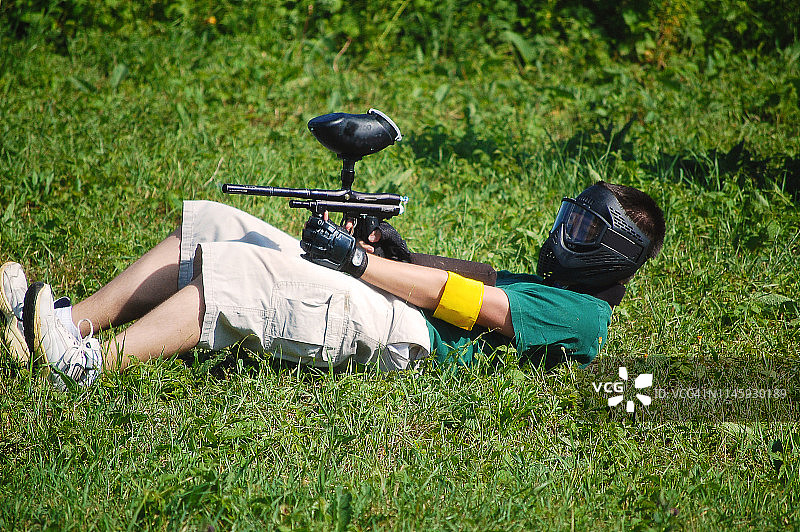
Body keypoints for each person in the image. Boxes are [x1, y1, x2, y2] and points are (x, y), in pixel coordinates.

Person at [0, 181, 665, 391]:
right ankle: (64, 323)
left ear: (609, 256)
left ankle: (85, 369)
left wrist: (359, 264)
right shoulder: (559, 290)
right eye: (570, 216)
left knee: (247, 275)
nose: (564, 231)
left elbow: (466, 303)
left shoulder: (585, 319)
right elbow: (450, 280)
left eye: (583, 228)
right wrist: (389, 253)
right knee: (219, 229)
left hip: (411, 342)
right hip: (399, 310)